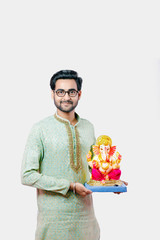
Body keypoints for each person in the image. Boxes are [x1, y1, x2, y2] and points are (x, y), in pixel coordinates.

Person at [21, 70, 100, 240]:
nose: (66, 97)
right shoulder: (40, 129)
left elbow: (94, 168)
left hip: (86, 222)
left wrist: (110, 181)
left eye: (71, 92)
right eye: (60, 92)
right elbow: (27, 176)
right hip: (53, 225)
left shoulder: (88, 127)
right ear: (52, 94)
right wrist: (69, 185)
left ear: (79, 94)